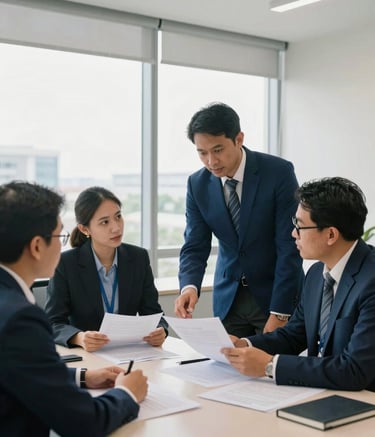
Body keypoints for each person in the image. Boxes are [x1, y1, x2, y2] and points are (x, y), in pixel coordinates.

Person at [0, 181, 148, 437]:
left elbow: (18, 370)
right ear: (37, 246)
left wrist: (82, 376)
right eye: (60, 236)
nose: (64, 245)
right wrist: (127, 393)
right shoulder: (20, 319)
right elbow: (84, 423)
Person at [222, 176, 375, 391]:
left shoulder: (371, 281)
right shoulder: (315, 274)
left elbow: (354, 370)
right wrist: (244, 345)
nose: (293, 233)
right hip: (323, 395)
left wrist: (269, 366)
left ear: (331, 234)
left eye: (300, 226)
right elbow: (294, 335)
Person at [175, 102, 303, 336]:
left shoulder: (278, 172)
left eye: (218, 149)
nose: (211, 161)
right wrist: (189, 286)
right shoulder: (197, 184)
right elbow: (195, 245)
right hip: (228, 301)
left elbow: (289, 245)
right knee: (226, 370)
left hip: (273, 296)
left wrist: (280, 312)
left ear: (239, 139)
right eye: (202, 153)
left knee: (273, 369)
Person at [45, 186, 168, 352]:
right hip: (88, 355)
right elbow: (52, 322)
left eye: (118, 217)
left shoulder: (138, 258)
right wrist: (79, 337)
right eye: (105, 222)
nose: (116, 227)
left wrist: (161, 331)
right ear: (85, 229)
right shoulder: (66, 264)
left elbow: (154, 313)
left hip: (129, 352)